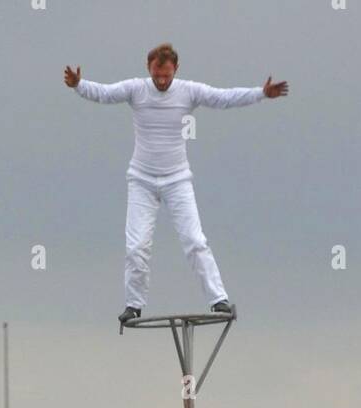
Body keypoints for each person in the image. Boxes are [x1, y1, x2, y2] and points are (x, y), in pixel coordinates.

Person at [65, 43, 288, 324]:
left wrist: (260, 94)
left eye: (166, 75)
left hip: (177, 180)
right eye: (157, 74)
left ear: (176, 70)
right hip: (141, 180)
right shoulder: (136, 89)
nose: (161, 80)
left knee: (195, 240)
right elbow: (105, 93)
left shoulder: (188, 91)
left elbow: (222, 98)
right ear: (149, 68)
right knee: (136, 246)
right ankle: (134, 304)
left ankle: (218, 298)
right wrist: (78, 85)